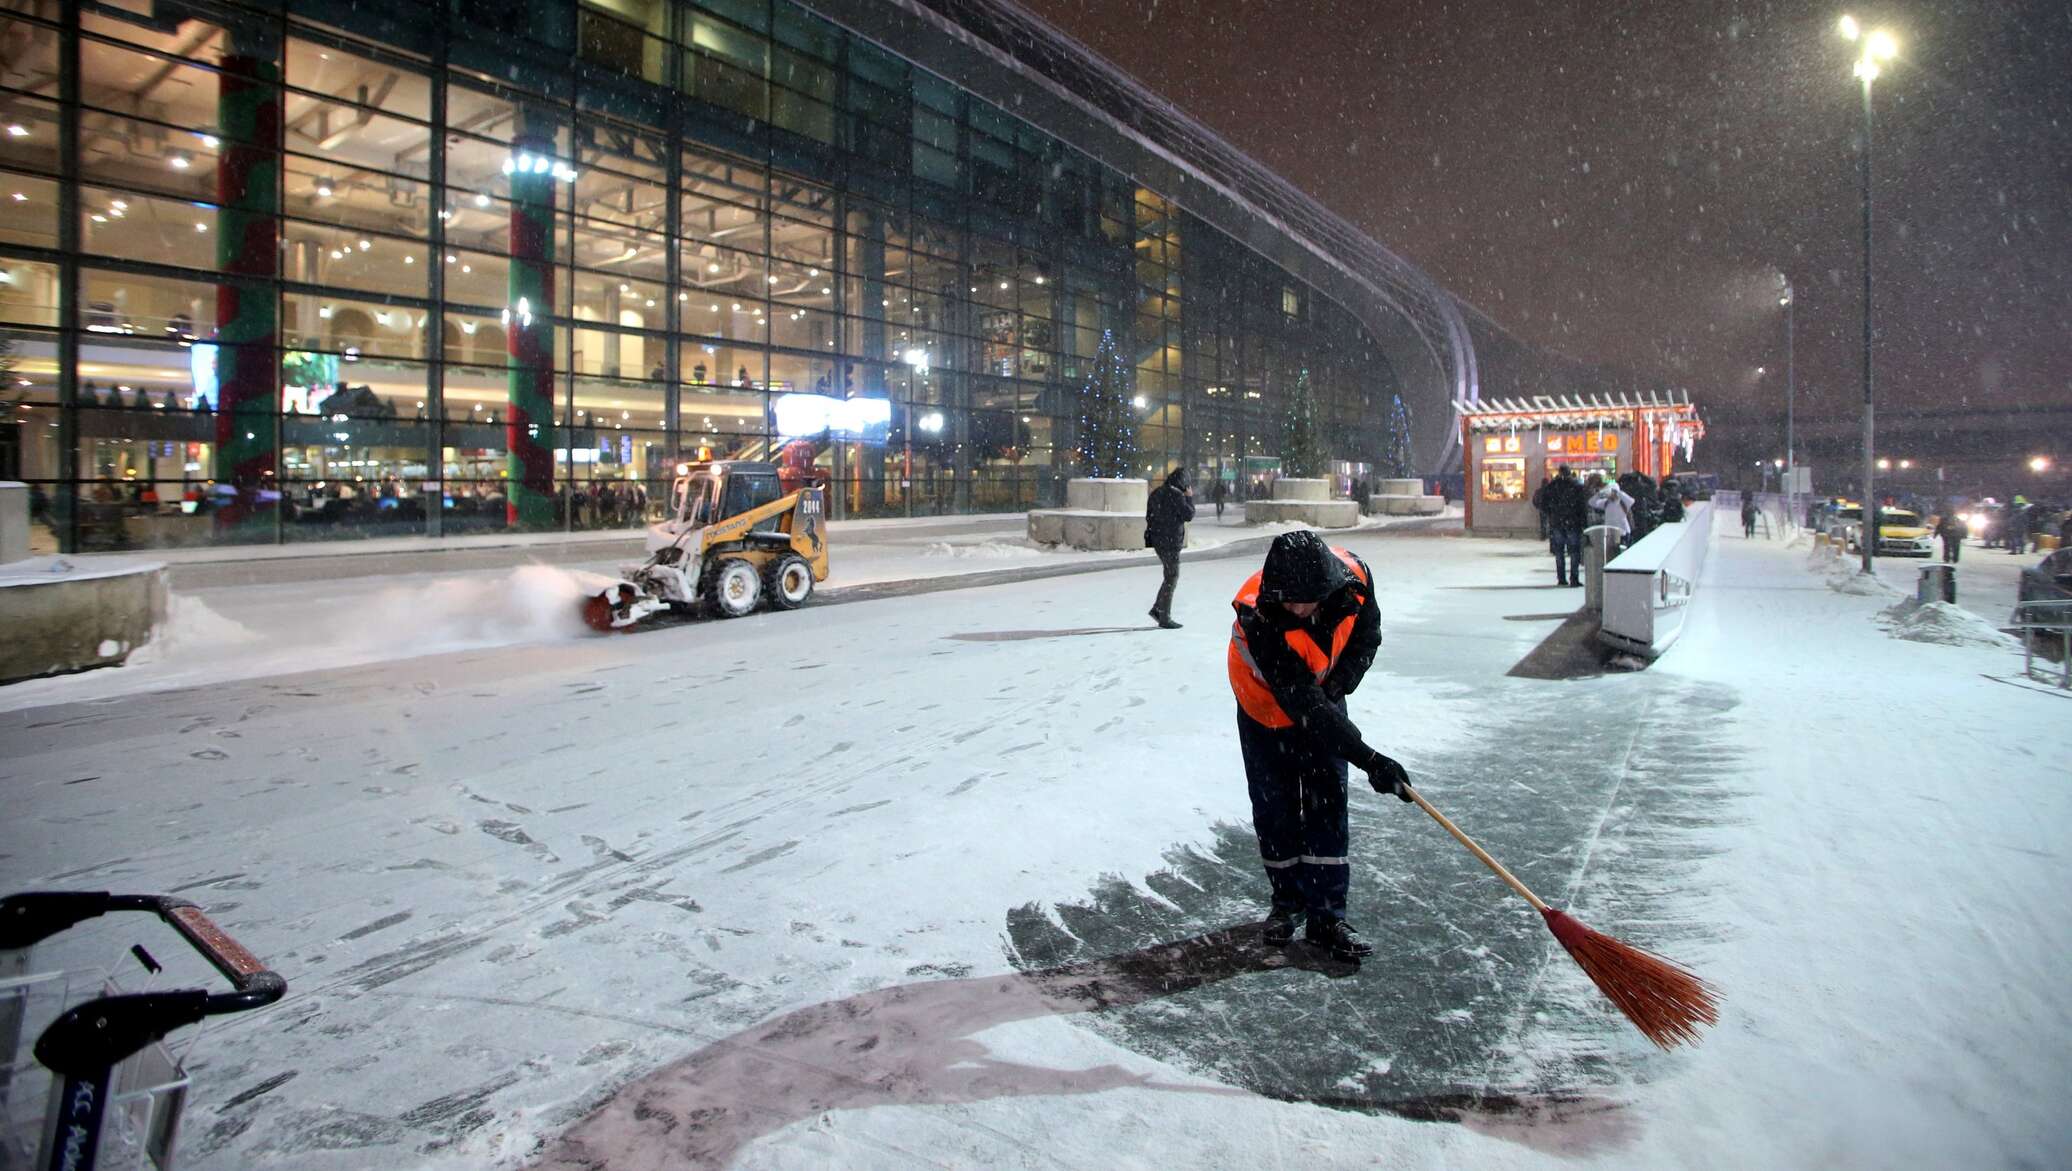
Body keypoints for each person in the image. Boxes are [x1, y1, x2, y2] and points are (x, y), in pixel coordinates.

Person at [1227, 531, 1411, 960]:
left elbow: (1367, 639)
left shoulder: (1356, 581)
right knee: (1276, 811)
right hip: (1264, 712)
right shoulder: (1258, 614)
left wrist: (1339, 685)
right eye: (1286, 599)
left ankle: (1327, 918)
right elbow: (1299, 698)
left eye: (1302, 600)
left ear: (1325, 588)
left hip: (1319, 700)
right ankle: (1286, 904)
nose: (1294, 607)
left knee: (1327, 803)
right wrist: (1369, 759)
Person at [1144, 466, 1194, 628]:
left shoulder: (1157, 493)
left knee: (1169, 575)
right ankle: (1163, 616)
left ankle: (1159, 610)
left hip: (1158, 540)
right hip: (1170, 542)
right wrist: (1189, 498)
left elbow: (1149, 516)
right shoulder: (1177, 496)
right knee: (1172, 576)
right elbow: (1189, 515)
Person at [1541, 466, 1586, 586]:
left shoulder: (1553, 486)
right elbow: (1582, 506)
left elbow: (1542, 502)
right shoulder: (1576, 486)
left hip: (1557, 522)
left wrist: (1551, 513)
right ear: (1570, 473)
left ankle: (1561, 578)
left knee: (1559, 551)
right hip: (1573, 522)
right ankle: (1574, 578)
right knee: (1574, 551)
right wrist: (1583, 522)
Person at [1588, 473, 1635, 547]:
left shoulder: (1622, 501)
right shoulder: (1606, 503)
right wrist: (1600, 494)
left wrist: (1617, 492)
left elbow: (1631, 501)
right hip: (1610, 534)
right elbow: (1591, 502)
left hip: (1623, 532)